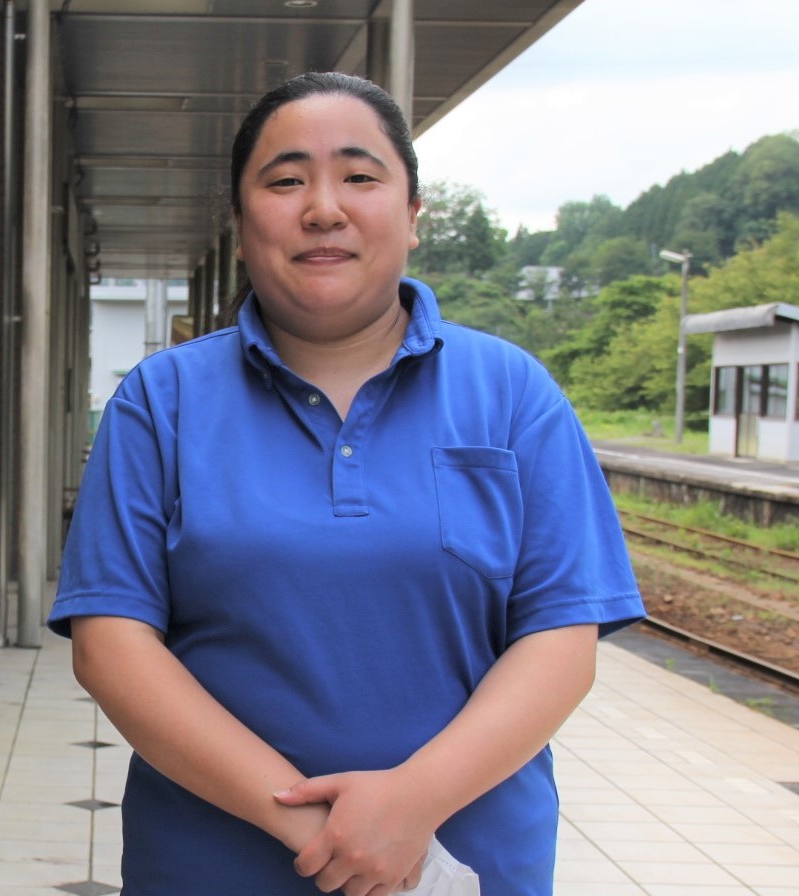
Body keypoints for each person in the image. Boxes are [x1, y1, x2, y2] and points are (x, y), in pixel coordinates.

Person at [47, 71, 645, 896]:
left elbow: (560, 641)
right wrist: (322, 831)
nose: (323, 207)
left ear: (413, 214)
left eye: (360, 177)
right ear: (241, 219)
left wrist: (411, 805)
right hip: (215, 866)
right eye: (285, 180)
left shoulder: (511, 393)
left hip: (462, 869)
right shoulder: (164, 400)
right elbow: (111, 644)